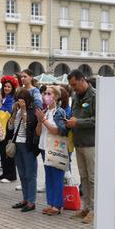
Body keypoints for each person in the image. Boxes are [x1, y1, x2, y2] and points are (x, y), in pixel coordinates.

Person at [66, 69, 96, 224]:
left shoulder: (95, 96)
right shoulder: (76, 96)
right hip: (79, 142)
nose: (73, 88)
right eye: (71, 85)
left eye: (74, 84)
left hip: (91, 143)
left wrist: (77, 122)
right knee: (83, 177)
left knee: (92, 178)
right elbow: (76, 115)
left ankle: (94, 210)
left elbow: (98, 119)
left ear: (82, 80)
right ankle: (86, 207)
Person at [36, 85, 70, 215]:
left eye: (49, 94)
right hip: (45, 147)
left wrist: (43, 120)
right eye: (45, 93)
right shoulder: (45, 112)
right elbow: (38, 133)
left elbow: (59, 130)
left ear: (55, 96)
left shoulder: (59, 112)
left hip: (55, 148)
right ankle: (51, 203)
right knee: (49, 177)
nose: (46, 96)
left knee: (57, 177)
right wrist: (40, 121)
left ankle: (57, 205)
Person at [11, 87, 39, 212]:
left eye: (20, 100)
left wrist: (23, 110)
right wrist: (14, 112)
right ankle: (25, 199)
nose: (19, 102)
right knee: (22, 174)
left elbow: (29, 125)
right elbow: (11, 126)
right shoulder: (17, 110)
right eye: (17, 100)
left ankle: (31, 201)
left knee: (30, 174)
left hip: (27, 145)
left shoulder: (32, 110)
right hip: (17, 144)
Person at [0, 76, 18, 183]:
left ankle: (11, 175)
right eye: (5, 86)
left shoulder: (12, 99)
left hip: (9, 129)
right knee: (2, 150)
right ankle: (4, 173)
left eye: (8, 87)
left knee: (8, 151)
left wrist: (0, 105)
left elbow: (9, 112)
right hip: (2, 128)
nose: (6, 88)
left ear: (12, 88)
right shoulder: (4, 98)